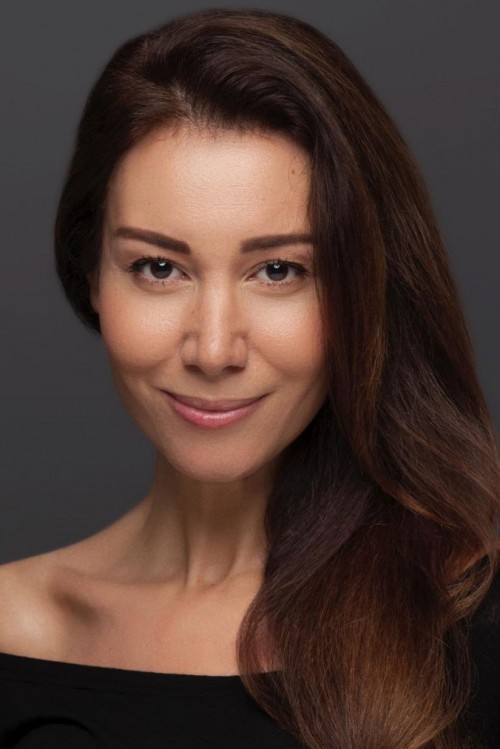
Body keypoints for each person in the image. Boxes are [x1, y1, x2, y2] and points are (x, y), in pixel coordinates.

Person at [0, 6, 499, 748]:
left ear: (364, 290)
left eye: (279, 271)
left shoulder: (468, 621)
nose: (213, 348)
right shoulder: (12, 628)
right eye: (159, 267)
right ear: (92, 275)